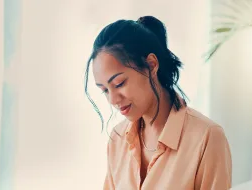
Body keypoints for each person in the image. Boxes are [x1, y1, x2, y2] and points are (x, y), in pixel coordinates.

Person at [84, 16, 232, 190]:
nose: (113, 100)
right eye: (105, 90)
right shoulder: (118, 139)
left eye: (119, 84)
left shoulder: (206, 138)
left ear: (151, 65)